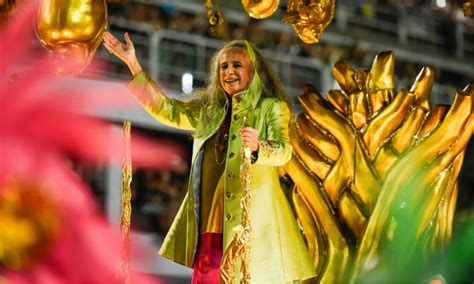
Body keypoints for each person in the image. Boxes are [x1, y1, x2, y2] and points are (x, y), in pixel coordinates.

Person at [103, 32, 316, 283]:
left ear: (254, 71)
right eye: (223, 66)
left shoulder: (270, 107)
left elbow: (284, 151)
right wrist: (133, 64)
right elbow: (168, 110)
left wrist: (260, 147)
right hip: (209, 227)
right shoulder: (209, 111)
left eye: (237, 65)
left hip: (252, 228)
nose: (229, 71)